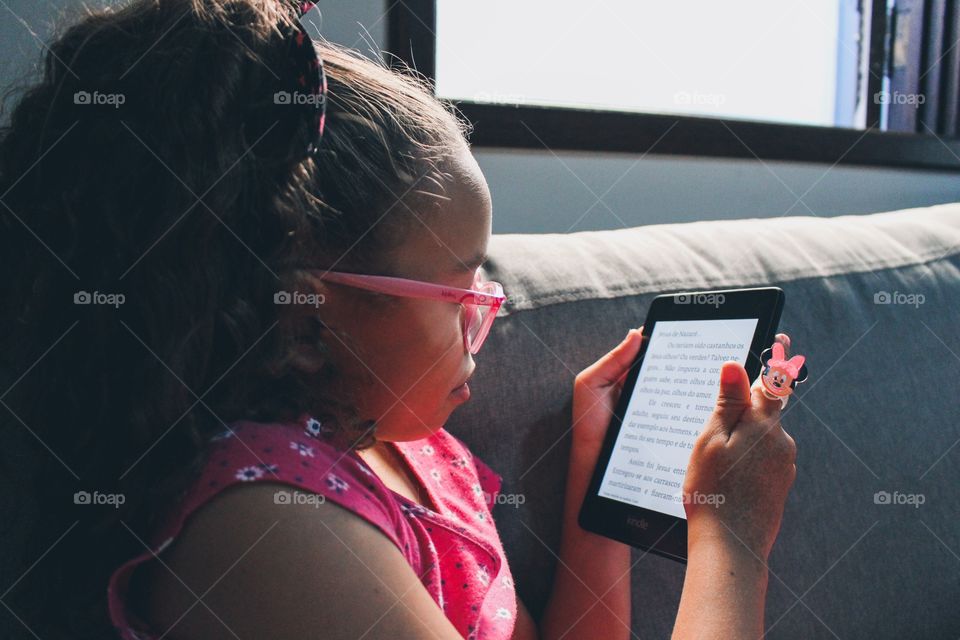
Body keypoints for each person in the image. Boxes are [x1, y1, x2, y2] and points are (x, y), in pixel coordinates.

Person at [0, 1, 796, 638]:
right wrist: (734, 544)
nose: (489, 312)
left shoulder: (414, 451)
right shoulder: (263, 522)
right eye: (458, 296)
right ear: (309, 323)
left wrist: (597, 469)